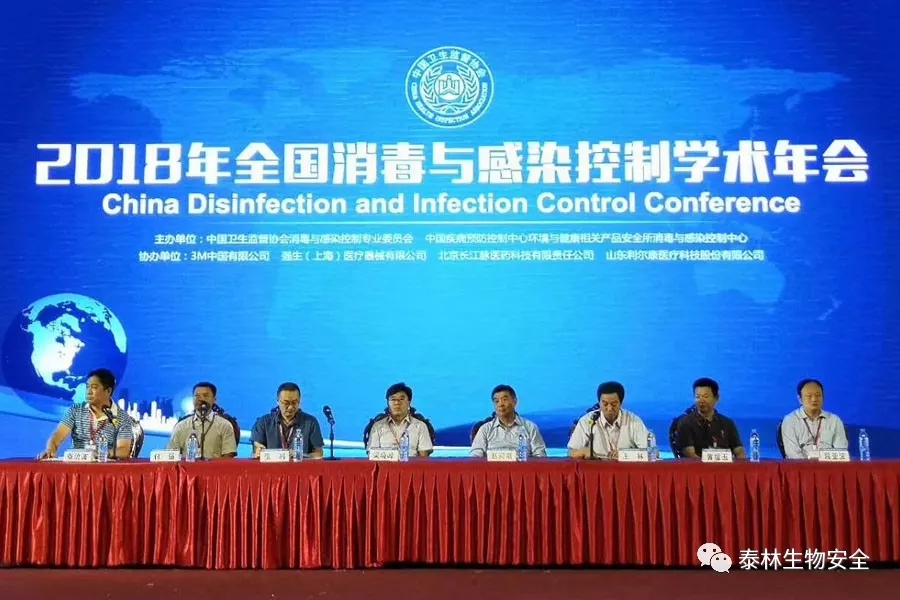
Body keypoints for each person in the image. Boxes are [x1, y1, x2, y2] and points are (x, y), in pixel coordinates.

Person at [39, 368, 134, 459]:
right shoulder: (76, 410)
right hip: (77, 467)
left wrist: (102, 453)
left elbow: (123, 451)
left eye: (94, 387)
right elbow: (57, 435)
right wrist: (50, 450)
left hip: (105, 466)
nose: (88, 391)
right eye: (87, 387)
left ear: (108, 391)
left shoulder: (121, 417)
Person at [568, 381, 649, 459]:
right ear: (599, 402)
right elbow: (571, 451)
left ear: (621, 403)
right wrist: (583, 452)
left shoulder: (634, 421)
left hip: (625, 467)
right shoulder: (587, 421)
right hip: (596, 467)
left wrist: (625, 454)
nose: (609, 408)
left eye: (614, 404)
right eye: (605, 404)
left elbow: (650, 452)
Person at [676, 377, 746, 459]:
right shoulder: (685, 422)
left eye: (705, 396)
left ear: (716, 398)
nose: (701, 400)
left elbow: (739, 451)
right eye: (697, 397)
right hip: (698, 466)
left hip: (725, 466)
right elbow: (690, 455)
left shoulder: (727, 423)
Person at [250, 382, 324, 458]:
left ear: (299, 401)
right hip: (272, 465)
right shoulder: (263, 423)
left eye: (294, 403)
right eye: (286, 403)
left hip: (300, 464)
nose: (290, 407)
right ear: (278, 401)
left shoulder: (311, 423)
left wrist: (300, 455)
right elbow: (256, 449)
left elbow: (319, 454)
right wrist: (258, 451)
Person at [470, 384, 547, 458]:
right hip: (493, 467)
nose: (500, 404)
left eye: (504, 400)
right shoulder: (485, 429)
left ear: (515, 402)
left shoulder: (530, 427)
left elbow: (540, 457)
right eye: (496, 401)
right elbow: (475, 458)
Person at [780, 378, 848, 459]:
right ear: (800, 399)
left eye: (818, 395)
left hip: (829, 465)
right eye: (809, 396)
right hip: (801, 466)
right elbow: (793, 454)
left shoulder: (834, 420)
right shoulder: (790, 421)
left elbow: (841, 452)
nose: (814, 399)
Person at [166, 382, 237, 459]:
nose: (201, 399)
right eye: (197, 396)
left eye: (205, 395)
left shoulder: (225, 425)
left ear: (214, 399)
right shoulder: (181, 426)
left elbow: (228, 455)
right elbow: (170, 454)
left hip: (214, 466)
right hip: (188, 466)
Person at [366, 382, 433, 457]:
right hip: (385, 464)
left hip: (411, 464)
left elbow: (424, 459)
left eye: (401, 399)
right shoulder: (377, 427)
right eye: (393, 399)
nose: (397, 403)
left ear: (409, 402)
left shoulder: (420, 426)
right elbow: (372, 456)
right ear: (388, 403)